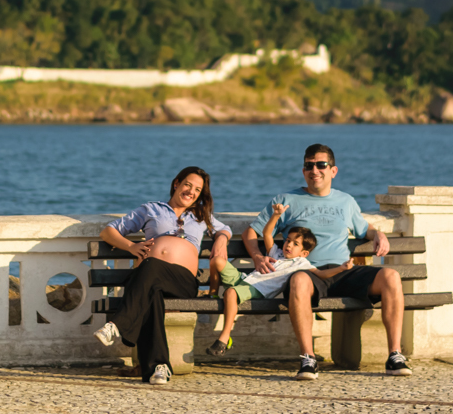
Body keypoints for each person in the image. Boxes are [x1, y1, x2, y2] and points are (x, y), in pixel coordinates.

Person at [245, 143, 410, 380]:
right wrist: (258, 256)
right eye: (309, 166)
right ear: (304, 171)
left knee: (391, 276)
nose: (315, 170)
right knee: (299, 281)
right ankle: (308, 359)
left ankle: (395, 356)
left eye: (321, 165)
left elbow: (365, 229)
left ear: (333, 170)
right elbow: (253, 232)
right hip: (308, 272)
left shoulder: (346, 201)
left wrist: (379, 234)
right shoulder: (287, 199)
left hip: (344, 271)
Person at [93, 166, 230, 385]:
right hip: (148, 279)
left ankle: (118, 324)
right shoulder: (151, 209)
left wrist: (221, 238)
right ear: (176, 183)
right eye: (188, 185)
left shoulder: (201, 215)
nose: (191, 192)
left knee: (150, 266)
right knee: (151, 295)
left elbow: (225, 229)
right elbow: (108, 231)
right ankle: (160, 367)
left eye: (197, 189)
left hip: (182, 281)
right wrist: (130, 246)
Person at [205, 204, 354, 356]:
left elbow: (321, 274)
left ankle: (225, 338)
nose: (288, 245)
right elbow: (267, 233)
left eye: (295, 244)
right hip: (244, 279)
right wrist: (276, 215)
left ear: (304, 253)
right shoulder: (276, 252)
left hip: (258, 289)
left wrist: (341, 268)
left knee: (231, 293)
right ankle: (213, 293)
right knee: (217, 260)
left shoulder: (301, 263)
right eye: (288, 240)